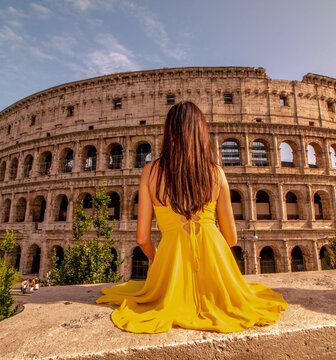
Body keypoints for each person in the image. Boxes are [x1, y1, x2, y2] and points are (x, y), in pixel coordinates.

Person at [96, 101, 287, 333]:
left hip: (170, 265)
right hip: (216, 269)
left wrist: (159, 260)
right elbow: (231, 238)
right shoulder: (217, 173)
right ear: (201, 133)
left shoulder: (150, 171)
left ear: (169, 132)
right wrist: (211, 258)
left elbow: (141, 239)